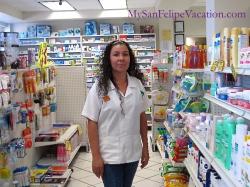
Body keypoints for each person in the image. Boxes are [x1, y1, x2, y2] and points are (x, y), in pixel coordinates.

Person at [81, 40, 150, 187]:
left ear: (130, 58)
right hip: (109, 155)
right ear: (109, 58)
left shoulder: (137, 84)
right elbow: (92, 122)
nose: (121, 58)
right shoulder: (99, 87)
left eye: (125, 54)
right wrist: (96, 156)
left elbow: (141, 116)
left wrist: (145, 147)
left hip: (132, 152)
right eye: (116, 54)